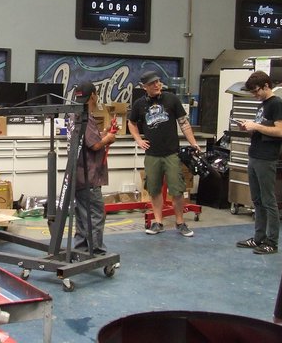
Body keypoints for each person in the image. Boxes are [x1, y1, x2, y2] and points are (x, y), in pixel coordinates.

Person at [127, 71, 200, 237]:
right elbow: (131, 123)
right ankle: (158, 222)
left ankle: (180, 223)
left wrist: (193, 142)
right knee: (154, 189)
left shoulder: (171, 99)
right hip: (152, 154)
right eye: (152, 83)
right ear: (144, 87)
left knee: (177, 189)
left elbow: (184, 123)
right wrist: (138, 139)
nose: (157, 85)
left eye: (158, 82)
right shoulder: (139, 104)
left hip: (171, 153)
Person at [236, 70, 282, 254]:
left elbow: (280, 131)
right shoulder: (263, 104)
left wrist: (256, 125)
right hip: (255, 155)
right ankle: (258, 238)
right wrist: (249, 127)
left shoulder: (276, 103)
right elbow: (264, 128)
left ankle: (272, 242)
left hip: (266, 158)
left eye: (256, 91)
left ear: (266, 86)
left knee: (268, 201)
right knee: (257, 200)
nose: (254, 95)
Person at [70, 82, 116, 255]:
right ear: (93, 96)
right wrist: (108, 139)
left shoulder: (75, 115)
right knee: (95, 214)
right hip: (88, 176)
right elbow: (95, 145)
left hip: (79, 176)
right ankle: (96, 252)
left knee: (82, 215)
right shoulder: (86, 117)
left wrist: (104, 133)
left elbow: (89, 140)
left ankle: (81, 250)